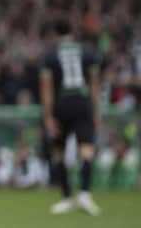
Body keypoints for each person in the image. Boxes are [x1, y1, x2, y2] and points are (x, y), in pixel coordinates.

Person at [40, 19, 101, 215]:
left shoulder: (50, 54)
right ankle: (84, 195)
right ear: (72, 33)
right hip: (82, 103)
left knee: (58, 152)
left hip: (62, 104)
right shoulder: (88, 51)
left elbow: (47, 88)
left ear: (55, 34)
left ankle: (66, 198)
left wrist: (48, 116)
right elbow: (94, 85)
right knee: (86, 150)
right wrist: (96, 113)